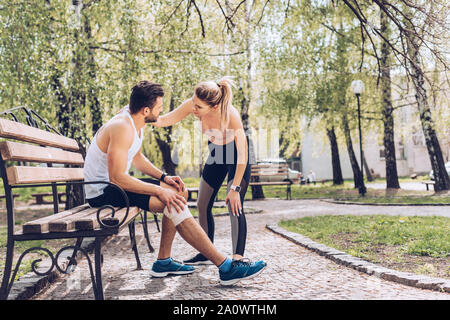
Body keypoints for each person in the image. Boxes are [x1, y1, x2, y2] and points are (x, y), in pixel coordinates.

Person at [83, 80, 266, 285]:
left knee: (177, 192)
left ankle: (163, 261)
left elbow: (136, 158)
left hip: (114, 185)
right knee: (173, 201)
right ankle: (225, 266)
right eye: (159, 108)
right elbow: (117, 177)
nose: (161, 113)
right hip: (103, 192)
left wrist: (163, 178)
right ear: (145, 110)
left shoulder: (134, 121)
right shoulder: (122, 127)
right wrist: (159, 191)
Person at [150, 76, 252, 265]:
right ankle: (206, 253)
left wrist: (235, 188)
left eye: (198, 108)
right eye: (194, 104)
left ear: (214, 107)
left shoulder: (231, 116)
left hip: (238, 156)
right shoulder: (195, 103)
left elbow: (243, 155)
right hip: (216, 153)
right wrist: (143, 116)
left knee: (234, 204)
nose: (193, 109)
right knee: (202, 203)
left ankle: (238, 259)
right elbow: (166, 119)